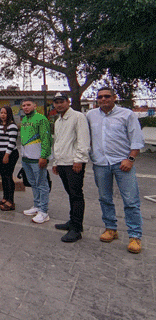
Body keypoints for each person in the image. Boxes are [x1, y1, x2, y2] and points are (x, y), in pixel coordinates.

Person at [86, 87, 145, 254]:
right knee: (104, 198)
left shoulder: (127, 115)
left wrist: (131, 159)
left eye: (107, 96)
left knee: (131, 201)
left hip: (122, 163)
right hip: (100, 164)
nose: (103, 99)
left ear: (114, 97)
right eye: (100, 97)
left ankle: (135, 236)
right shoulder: (91, 115)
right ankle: (111, 228)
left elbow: (137, 139)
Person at [51, 93, 90, 243]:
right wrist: (56, 162)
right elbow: (59, 142)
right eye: (56, 102)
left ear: (68, 102)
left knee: (76, 195)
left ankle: (76, 228)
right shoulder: (59, 120)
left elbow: (83, 140)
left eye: (62, 102)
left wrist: (79, 160)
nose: (59, 105)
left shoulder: (78, 117)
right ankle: (72, 221)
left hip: (73, 163)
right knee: (70, 194)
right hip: (62, 162)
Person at [20, 97, 52, 224]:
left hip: (38, 158)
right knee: (33, 183)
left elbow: (46, 139)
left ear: (35, 105)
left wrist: (44, 156)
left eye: (28, 105)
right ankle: (37, 205)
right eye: (23, 105)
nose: (26, 107)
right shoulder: (24, 120)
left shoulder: (41, 119)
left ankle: (44, 211)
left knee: (42, 184)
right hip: (26, 158)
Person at [0, 106, 19, 211]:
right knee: (3, 177)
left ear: (9, 114)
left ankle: (11, 201)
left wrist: (7, 155)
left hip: (9, 154)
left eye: (5, 113)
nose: (3, 115)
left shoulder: (12, 126)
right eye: (1, 113)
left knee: (8, 177)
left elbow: (12, 142)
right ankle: (5, 197)